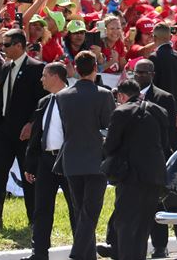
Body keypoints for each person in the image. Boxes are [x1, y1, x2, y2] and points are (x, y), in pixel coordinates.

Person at [0, 29, 46, 228]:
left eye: (6, 45)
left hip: (25, 133)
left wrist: (32, 124)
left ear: (19, 45)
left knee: (28, 175)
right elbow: (1, 102)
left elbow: (41, 101)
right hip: (5, 131)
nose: (3, 48)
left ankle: (34, 220)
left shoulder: (36, 67)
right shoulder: (6, 67)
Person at [56, 50, 115, 260]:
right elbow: (109, 127)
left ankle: (87, 255)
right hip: (96, 160)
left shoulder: (62, 96)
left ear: (76, 67)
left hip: (71, 159)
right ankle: (78, 254)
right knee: (89, 212)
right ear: (95, 68)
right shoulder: (104, 94)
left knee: (81, 209)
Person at [104, 79, 169, 260]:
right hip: (155, 177)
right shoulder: (159, 111)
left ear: (122, 96)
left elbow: (110, 146)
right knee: (143, 226)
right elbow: (164, 144)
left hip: (130, 177)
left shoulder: (121, 112)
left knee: (125, 224)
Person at [21, 62, 76, 260]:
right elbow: (37, 135)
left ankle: (80, 251)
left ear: (55, 76)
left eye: (44, 75)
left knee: (75, 207)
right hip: (46, 161)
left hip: (69, 160)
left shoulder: (73, 98)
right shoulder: (44, 102)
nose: (41, 79)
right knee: (41, 208)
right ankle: (39, 253)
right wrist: (30, 164)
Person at [148, 22, 177, 122]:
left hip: (161, 111)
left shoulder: (154, 57)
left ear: (154, 38)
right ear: (171, 37)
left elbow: (153, 86)